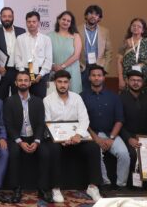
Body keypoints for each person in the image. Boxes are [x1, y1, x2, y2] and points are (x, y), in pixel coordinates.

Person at [44, 70, 102, 202]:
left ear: (69, 83)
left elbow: (84, 119)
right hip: (57, 139)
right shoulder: (47, 100)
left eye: (65, 82)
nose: (62, 85)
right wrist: (61, 139)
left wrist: (78, 135)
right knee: (54, 149)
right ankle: (56, 188)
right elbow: (47, 122)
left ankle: (93, 187)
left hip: (77, 137)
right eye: (60, 82)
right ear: (55, 83)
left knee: (93, 147)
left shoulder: (77, 98)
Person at [4, 71, 54, 203]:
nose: (23, 83)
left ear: (30, 83)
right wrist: (20, 142)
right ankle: (16, 188)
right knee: (13, 152)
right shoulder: (9, 101)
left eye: (26, 80)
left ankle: (43, 189)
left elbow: (41, 124)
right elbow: (9, 125)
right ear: (16, 83)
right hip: (17, 138)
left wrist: (37, 141)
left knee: (45, 152)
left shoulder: (38, 101)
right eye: (20, 80)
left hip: (34, 137)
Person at [82, 65, 129, 189]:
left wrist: (111, 138)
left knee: (124, 154)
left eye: (99, 75)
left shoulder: (114, 96)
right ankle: (105, 183)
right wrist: (96, 139)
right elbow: (83, 122)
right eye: (93, 75)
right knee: (96, 153)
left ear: (103, 78)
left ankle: (121, 185)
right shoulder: (82, 97)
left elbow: (119, 120)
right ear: (89, 78)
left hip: (111, 133)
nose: (96, 78)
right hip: (92, 134)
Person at [117, 18, 147, 96]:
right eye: (133, 26)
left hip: (146, 79)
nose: (136, 27)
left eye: (139, 26)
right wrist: (121, 79)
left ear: (143, 30)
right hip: (128, 78)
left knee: (145, 100)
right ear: (130, 28)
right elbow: (119, 62)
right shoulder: (125, 43)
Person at [15, 11, 53, 98]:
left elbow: (48, 59)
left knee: (40, 100)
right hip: (25, 72)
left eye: (34, 21)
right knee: (24, 99)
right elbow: (17, 58)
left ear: (38, 23)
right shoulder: (20, 38)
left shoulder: (46, 39)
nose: (31, 24)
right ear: (26, 23)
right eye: (29, 22)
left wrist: (41, 74)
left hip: (41, 73)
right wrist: (23, 74)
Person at [0, 7, 25, 100]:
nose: (7, 19)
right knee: (0, 99)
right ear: (0, 18)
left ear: (13, 17)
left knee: (18, 99)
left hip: (18, 70)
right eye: (4, 16)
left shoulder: (22, 31)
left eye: (9, 16)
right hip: (2, 71)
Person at [49, 11, 83, 93]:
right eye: (63, 19)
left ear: (71, 23)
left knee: (73, 97)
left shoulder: (76, 36)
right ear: (58, 20)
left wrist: (62, 66)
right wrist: (52, 66)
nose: (65, 22)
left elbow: (76, 55)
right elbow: (45, 55)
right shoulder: (49, 36)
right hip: (55, 71)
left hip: (72, 72)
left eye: (68, 21)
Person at [79, 5, 113, 89]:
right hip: (83, 67)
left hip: (99, 67)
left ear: (99, 18)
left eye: (96, 14)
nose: (93, 16)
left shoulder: (105, 31)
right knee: (83, 92)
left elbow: (109, 51)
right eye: (90, 13)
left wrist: (105, 69)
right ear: (86, 15)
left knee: (98, 92)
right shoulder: (77, 30)